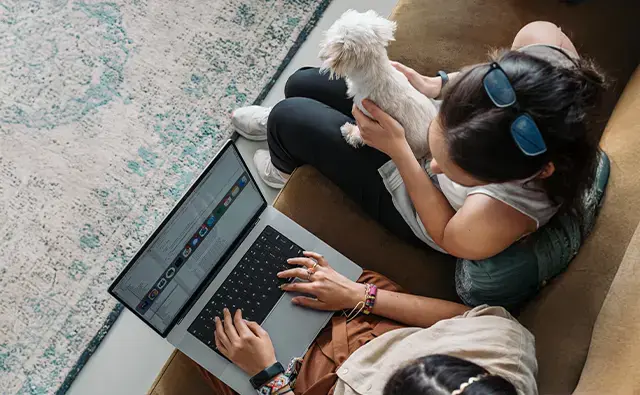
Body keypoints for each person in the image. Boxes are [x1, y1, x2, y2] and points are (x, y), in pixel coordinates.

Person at [232, 21, 605, 260]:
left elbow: (444, 233)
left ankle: (285, 163)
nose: (437, 164)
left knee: (288, 116)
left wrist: (399, 150)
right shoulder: (543, 59)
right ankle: (294, 135)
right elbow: (506, 62)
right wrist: (435, 85)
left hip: (423, 204)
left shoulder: (495, 218)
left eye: (454, 169)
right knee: (304, 81)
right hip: (420, 138)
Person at [195, 252, 537, 395]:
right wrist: (361, 295)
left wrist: (269, 376)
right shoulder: (507, 351)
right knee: (299, 264)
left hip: (318, 383)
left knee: (211, 337)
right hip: (377, 322)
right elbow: (464, 318)